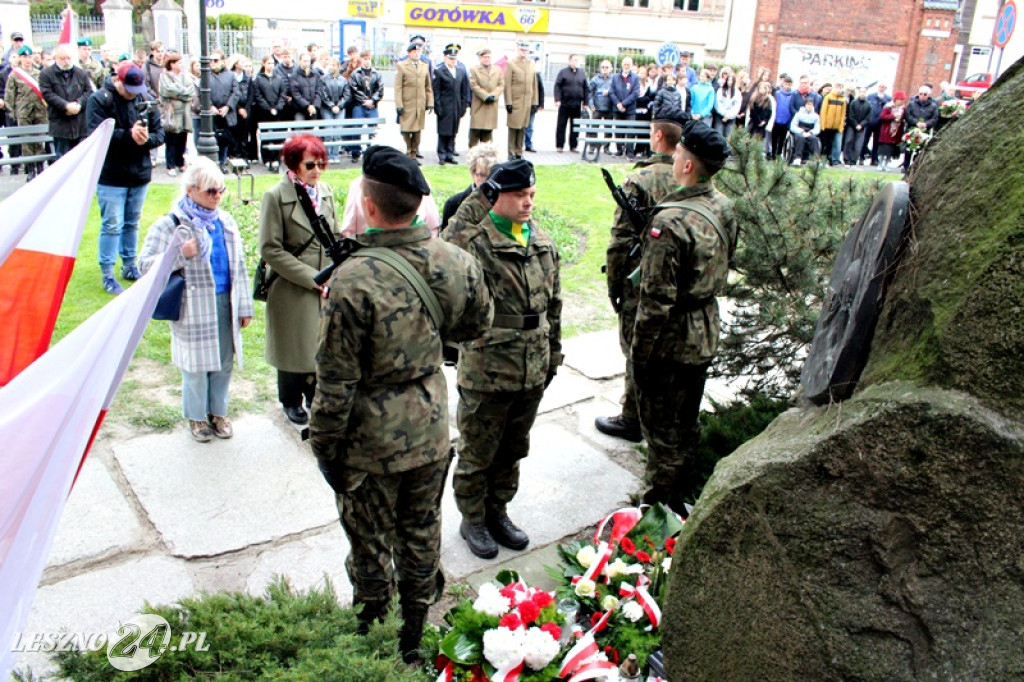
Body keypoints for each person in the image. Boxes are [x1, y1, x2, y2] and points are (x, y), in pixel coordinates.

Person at [309, 145, 491, 662]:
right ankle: (413, 641)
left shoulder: (352, 280)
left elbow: (335, 384)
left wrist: (326, 450)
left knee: (370, 550)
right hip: (431, 430)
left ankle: (371, 648)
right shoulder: (456, 261)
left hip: (369, 446)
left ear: (368, 204)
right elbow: (477, 326)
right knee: (420, 536)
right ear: (418, 206)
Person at [442, 158, 563, 559]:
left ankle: (498, 511)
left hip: (533, 363)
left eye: (531, 194)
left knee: (513, 448)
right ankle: (472, 517)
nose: (528, 203)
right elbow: (447, 245)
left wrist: (554, 355)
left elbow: (554, 304)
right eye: (518, 195)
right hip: (489, 367)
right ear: (495, 196)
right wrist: (482, 193)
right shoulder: (474, 242)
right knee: (478, 450)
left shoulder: (541, 240)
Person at [631, 120, 737, 511]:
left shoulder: (669, 221)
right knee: (686, 423)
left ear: (688, 165)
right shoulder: (724, 207)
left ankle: (658, 513)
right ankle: (680, 497)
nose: (673, 156)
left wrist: (639, 356)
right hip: (705, 330)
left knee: (661, 433)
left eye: (678, 153)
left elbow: (655, 300)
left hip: (671, 341)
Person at [139, 158, 253, 442]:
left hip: (226, 302)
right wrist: (179, 254)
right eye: (210, 191)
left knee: (224, 362)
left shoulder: (225, 221)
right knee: (195, 366)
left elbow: (238, 267)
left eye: (221, 190)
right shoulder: (171, 225)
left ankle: (218, 412)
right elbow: (142, 266)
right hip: (192, 307)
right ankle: (197, 417)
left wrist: (244, 306)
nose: (216, 197)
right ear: (190, 190)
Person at [595, 120, 680, 442]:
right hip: (677, 279)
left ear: (658, 135)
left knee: (636, 348)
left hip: (641, 282)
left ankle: (632, 417)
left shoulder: (641, 179)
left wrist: (614, 285)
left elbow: (619, 241)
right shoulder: (691, 178)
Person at [259, 134, 339, 425]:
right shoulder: (276, 197)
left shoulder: (326, 192)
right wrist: (309, 277)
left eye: (322, 164)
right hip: (293, 283)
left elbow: (334, 235)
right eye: (310, 165)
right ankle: (290, 400)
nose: (317, 170)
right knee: (293, 345)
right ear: (293, 164)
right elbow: (270, 248)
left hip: (325, 282)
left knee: (318, 343)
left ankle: (314, 394)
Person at [86, 63, 164, 294]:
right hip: (111, 173)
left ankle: (130, 264)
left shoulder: (145, 98)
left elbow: (160, 133)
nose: (132, 93)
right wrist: (128, 135)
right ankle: (108, 273)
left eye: (136, 88)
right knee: (111, 224)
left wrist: (145, 140)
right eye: (128, 88)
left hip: (139, 171)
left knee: (132, 221)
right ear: (117, 80)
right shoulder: (100, 99)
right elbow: (96, 133)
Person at [39, 44, 92, 161]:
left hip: (80, 125)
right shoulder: (46, 74)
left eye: (69, 58)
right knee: (62, 161)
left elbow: (89, 92)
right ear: (55, 58)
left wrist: (79, 104)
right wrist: (66, 106)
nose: (66, 61)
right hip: (60, 125)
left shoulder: (81, 73)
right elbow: (48, 94)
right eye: (62, 58)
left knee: (81, 160)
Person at [5, 46, 47, 180]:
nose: (27, 60)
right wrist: (12, 113)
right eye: (24, 57)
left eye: (29, 57)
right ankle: (30, 169)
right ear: (20, 58)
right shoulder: (15, 74)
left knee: (40, 140)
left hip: (39, 111)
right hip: (24, 113)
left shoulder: (39, 73)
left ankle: (40, 167)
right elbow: (9, 95)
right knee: (26, 141)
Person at [441, 142, 499, 229]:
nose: (487, 180)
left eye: (491, 175)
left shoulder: (504, 203)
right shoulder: (453, 204)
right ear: (473, 173)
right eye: (482, 175)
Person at [394, 42, 432, 162]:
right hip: (407, 104)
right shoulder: (402, 66)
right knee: (406, 129)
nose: (417, 54)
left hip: (419, 104)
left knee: (417, 130)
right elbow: (398, 88)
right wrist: (399, 105)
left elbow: (428, 86)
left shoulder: (424, 66)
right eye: (414, 51)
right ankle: (409, 150)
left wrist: (430, 102)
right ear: (409, 53)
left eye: (419, 51)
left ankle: (414, 153)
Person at [432, 43, 470, 165]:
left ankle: (450, 153)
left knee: (453, 131)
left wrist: (464, 106)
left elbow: (464, 90)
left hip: (456, 106)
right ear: (445, 58)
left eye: (454, 59)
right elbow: (436, 91)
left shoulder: (460, 71)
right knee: (443, 131)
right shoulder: (439, 71)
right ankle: (442, 155)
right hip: (444, 106)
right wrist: (438, 107)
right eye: (450, 58)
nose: (453, 61)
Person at [158, 51, 194, 176]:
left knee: (182, 139)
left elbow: (191, 91)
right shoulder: (165, 76)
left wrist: (180, 94)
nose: (182, 65)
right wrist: (183, 92)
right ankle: (171, 165)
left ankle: (180, 162)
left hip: (184, 112)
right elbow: (168, 91)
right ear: (172, 64)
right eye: (179, 63)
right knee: (171, 139)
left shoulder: (186, 76)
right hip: (172, 112)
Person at [251, 54, 286, 170]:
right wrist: (268, 108)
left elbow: (282, 94)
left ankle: (276, 158)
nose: (271, 66)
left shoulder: (279, 78)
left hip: (278, 111)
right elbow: (258, 95)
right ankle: (266, 158)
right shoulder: (259, 79)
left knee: (278, 135)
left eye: (272, 63)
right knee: (265, 136)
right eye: (268, 63)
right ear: (263, 64)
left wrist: (277, 107)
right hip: (264, 111)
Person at [347, 49, 383, 162]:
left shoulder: (376, 74)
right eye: (365, 59)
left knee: (373, 130)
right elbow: (354, 89)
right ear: (361, 59)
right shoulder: (355, 74)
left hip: (372, 106)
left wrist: (372, 100)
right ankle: (355, 152)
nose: (367, 61)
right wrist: (364, 100)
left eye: (369, 59)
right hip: (359, 105)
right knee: (356, 129)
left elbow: (380, 89)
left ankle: (371, 152)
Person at [505, 40, 537, 159]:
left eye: (526, 50)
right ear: (518, 50)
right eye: (521, 50)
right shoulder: (511, 63)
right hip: (515, 101)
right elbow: (507, 84)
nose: (524, 52)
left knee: (523, 127)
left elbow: (534, 84)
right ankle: (511, 152)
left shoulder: (531, 63)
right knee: (513, 127)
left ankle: (519, 151)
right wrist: (508, 102)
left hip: (527, 102)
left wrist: (535, 101)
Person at [208, 49, 239, 169]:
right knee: (212, 139)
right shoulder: (206, 75)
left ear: (222, 61)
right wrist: (211, 106)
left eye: (215, 60)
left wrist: (227, 107)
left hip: (226, 113)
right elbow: (202, 94)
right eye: (211, 60)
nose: (212, 63)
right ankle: (212, 164)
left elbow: (236, 93)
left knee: (224, 140)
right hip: (212, 113)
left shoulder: (231, 75)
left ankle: (222, 162)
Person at [468, 48, 503, 146]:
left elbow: (501, 85)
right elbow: (473, 85)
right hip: (479, 104)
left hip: (491, 105)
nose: (487, 59)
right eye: (484, 57)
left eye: (488, 57)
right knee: (475, 132)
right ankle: (473, 154)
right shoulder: (474, 69)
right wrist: (485, 96)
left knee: (488, 133)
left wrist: (493, 95)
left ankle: (487, 156)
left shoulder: (497, 70)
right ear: (480, 58)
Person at [553, 54, 588, 153]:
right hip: (564, 104)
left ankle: (573, 146)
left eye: (578, 60)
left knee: (575, 126)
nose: (576, 62)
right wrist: (557, 99)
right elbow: (557, 86)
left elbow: (586, 88)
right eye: (574, 60)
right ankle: (559, 146)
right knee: (561, 125)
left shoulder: (582, 73)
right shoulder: (563, 72)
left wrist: (586, 102)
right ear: (570, 61)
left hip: (577, 104)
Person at [609, 56, 641, 157]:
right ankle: (619, 150)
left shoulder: (635, 78)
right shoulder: (615, 77)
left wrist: (624, 104)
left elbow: (635, 93)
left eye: (628, 64)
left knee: (630, 131)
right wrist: (618, 104)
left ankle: (630, 152)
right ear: (622, 65)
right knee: (618, 130)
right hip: (617, 109)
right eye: (625, 64)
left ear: (631, 65)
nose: (626, 66)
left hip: (630, 110)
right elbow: (611, 92)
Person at [319, 57, 348, 163]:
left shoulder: (343, 80)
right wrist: (331, 106)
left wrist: (339, 106)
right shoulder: (323, 79)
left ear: (338, 67)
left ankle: (335, 154)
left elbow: (346, 95)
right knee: (329, 132)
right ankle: (326, 155)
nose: (331, 67)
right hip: (327, 109)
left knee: (337, 132)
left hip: (340, 109)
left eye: (333, 65)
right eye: (330, 65)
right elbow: (323, 94)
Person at [903, 85, 938, 172]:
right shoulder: (912, 104)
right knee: (909, 148)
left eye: (925, 94)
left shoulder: (933, 106)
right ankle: (905, 166)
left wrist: (926, 124)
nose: (922, 96)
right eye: (920, 94)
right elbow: (907, 115)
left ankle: (914, 167)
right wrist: (916, 122)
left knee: (920, 149)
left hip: (924, 130)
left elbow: (935, 118)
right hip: (912, 128)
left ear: (929, 95)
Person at [226, 54, 251, 159]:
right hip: (234, 109)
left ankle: (244, 155)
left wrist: (246, 108)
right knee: (234, 132)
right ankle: (233, 153)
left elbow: (251, 94)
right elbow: (231, 94)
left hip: (246, 108)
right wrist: (238, 108)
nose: (245, 64)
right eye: (242, 62)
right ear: (236, 64)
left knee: (244, 133)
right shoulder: (230, 77)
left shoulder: (247, 78)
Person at [876, 90, 906, 172]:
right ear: (896, 99)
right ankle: (880, 163)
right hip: (887, 131)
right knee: (883, 149)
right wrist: (893, 116)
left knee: (890, 150)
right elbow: (882, 117)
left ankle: (886, 164)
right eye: (900, 99)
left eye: (903, 100)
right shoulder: (888, 106)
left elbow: (904, 117)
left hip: (896, 132)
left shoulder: (903, 108)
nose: (901, 102)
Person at [863, 83, 891, 165]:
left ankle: (874, 159)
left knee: (876, 142)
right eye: (880, 86)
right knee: (865, 140)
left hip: (880, 123)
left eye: (883, 87)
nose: (881, 88)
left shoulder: (888, 98)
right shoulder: (871, 96)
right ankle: (861, 156)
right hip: (869, 121)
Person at [843, 86, 871, 166]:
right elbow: (851, 115)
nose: (863, 94)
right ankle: (847, 159)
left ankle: (853, 160)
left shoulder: (868, 104)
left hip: (862, 127)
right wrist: (855, 124)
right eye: (861, 92)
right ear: (859, 93)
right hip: (852, 126)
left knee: (858, 144)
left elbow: (868, 118)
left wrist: (861, 125)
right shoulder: (853, 102)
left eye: (864, 92)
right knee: (848, 141)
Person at [289, 52, 321, 121]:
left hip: (313, 108)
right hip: (300, 109)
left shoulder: (316, 74)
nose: (306, 63)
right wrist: (307, 106)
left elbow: (319, 91)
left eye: (308, 61)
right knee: (299, 129)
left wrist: (314, 106)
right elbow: (295, 94)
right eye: (304, 61)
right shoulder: (294, 76)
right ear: (300, 61)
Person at [789, 98, 821, 165]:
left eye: (811, 105)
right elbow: (792, 126)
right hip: (800, 131)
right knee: (800, 138)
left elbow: (817, 128)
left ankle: (816, 159)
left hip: (810, 132)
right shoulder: (798, 114)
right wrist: (801, 131)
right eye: (808, 104)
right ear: (805, 105)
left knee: (814, 139)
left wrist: (810, 133)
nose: (809, 106)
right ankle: (797, 158)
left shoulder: (816, 116)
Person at [770, 74, 794, 158]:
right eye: (786, 84)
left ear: (791, 85)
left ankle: (779, 153)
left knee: (782, 139)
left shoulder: (793, 95)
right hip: (776, 120)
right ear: (783, 84)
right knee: (774, 138)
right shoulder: (777, 94)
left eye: (789, 84)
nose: (787, 86)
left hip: (786, 120)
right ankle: (773, 153)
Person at [713, 72, 741, 138]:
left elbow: (736, 106)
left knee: (728, 137)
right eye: (729, 80)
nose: (730, 82)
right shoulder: (720, 90)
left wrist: (729, 115)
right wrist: (724, 114)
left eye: (732, 80)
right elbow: (718, 103)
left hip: (731, 118)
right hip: (720, 116)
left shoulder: (737, 93)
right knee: (718, 136)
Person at [524, 70, 544, 154]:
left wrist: (541, 104)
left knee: (529, 126)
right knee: (520, 126)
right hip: (521, 104)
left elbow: (541, 89)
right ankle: (517, 145)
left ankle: (528, 145)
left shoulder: (536, 74)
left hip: (532, 104)